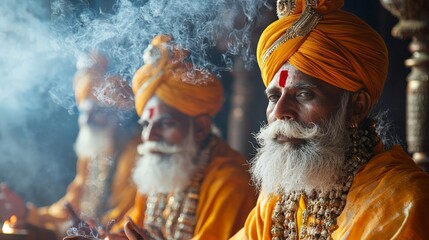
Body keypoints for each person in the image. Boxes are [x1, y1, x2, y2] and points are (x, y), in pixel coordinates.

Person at [230, 0, 429, 239]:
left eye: (304, 94)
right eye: (273, 96)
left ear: (357, 106)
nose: (281, 111)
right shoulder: (277, 198)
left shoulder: (402, 202)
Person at [102, 34, 256, 240]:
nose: (149, 135)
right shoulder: (161, 171)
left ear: (200, 127)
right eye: (146, 124)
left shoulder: (231, 182)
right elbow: (130, 227)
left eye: (165, 123)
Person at [0, 51, 141, 239]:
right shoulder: (93, 157)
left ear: (118, 116)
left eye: (96, 112)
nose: (87, 120)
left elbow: (131, 221)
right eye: (83, 112)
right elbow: (68, 209)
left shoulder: (139, 156)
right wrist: (25, 213)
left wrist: (91, 230)